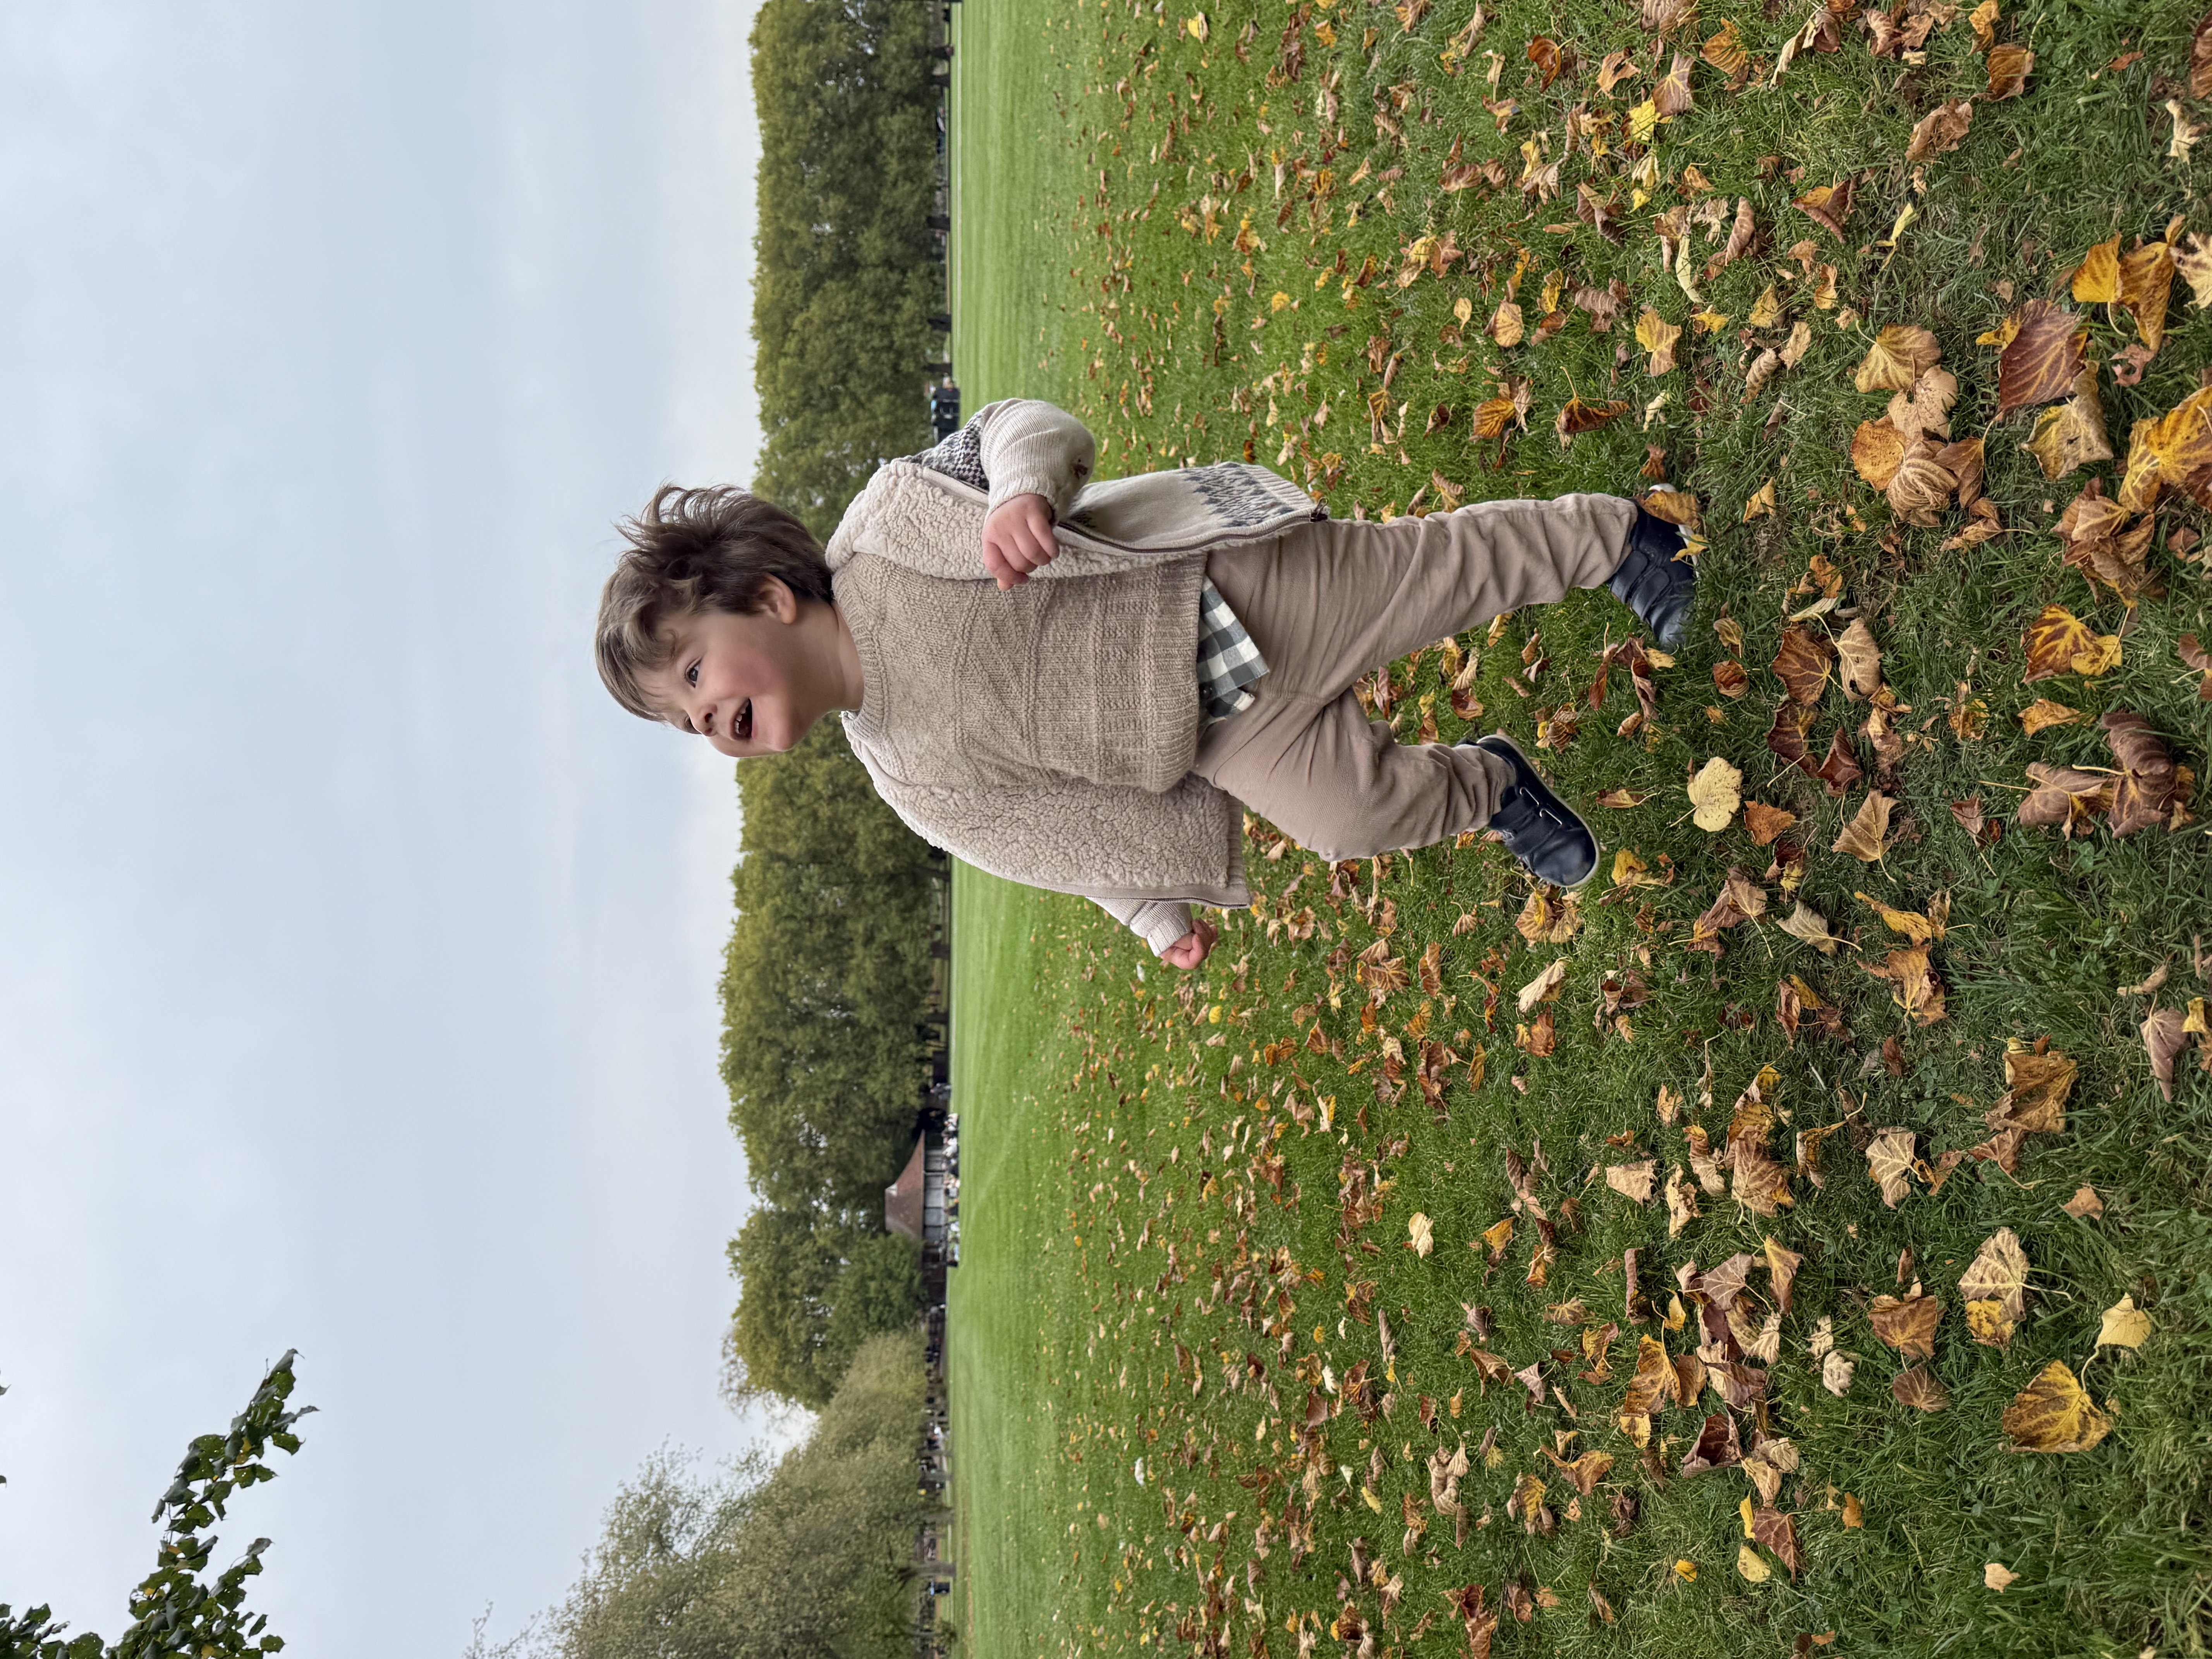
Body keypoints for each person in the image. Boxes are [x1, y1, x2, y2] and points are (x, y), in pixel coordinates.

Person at [594, 398, 1695, 970]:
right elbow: (1050, 839)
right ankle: (1495, 787)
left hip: (1225, 587)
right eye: (688, 723)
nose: (709, 718)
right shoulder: (905, 775)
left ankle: (1620, 540)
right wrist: (1151, 911)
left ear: (766, 597)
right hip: (1224, 738)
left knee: (1441, 575)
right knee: (1352, 818)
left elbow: (1020, 427)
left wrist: (1018, 490)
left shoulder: (891, 528)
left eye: (694, 671)